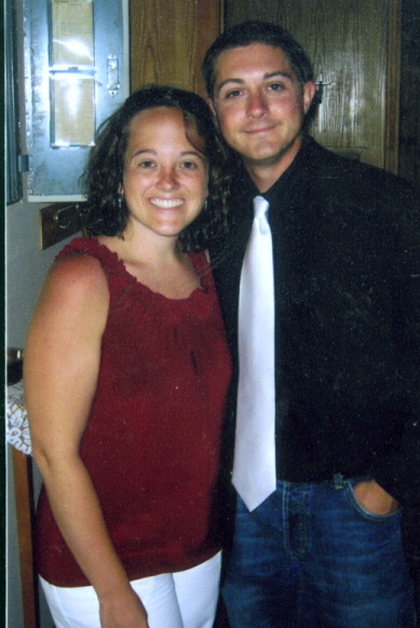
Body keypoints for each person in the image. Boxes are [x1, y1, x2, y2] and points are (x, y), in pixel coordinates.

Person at [201, 20, 420, 628]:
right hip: (243, 514)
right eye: (235, 92)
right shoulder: (205, 215)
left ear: (307, 93)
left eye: (274, 85)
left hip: (354, 513)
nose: (256, 108)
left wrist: (388, 487)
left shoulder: (386, 207)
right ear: (214, 110)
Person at [23, 85, 232, 628]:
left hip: (195, 546)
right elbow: (53, 453)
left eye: (188, 163)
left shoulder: (207, 269)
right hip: (105, 562)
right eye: (147, 162)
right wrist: (113, 593)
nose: (169, 182)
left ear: (209, 178)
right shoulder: (83, 279)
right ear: (118, 177)